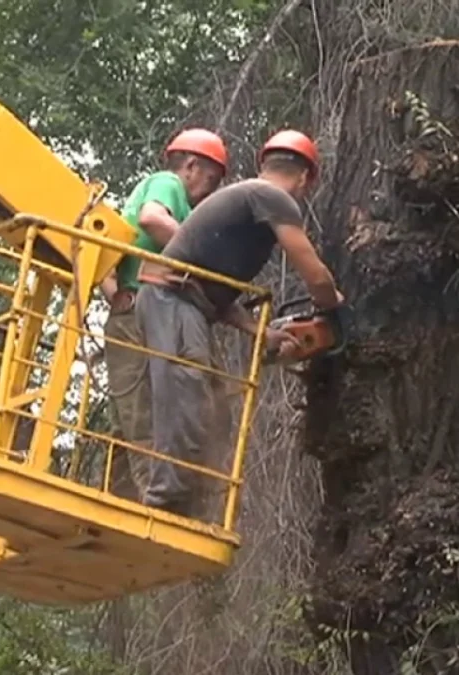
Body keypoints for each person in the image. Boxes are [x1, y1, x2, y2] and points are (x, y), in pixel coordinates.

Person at [134, 129, 344, 517]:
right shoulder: (271, 198)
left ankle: (190, 501)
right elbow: (315, 276)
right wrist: (336, 308)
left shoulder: (248, 204)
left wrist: (262, 331)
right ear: (304, 179)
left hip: (187, 301)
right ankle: (163, 504)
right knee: (187, 396)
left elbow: (215, 291)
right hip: (171, 297)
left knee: (215, 409)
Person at [98, 128, 229, 501]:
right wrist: (206, 257)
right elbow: (152, 219)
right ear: (191, 165)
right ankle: (154, 505)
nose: (213, 189)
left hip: (143, 311)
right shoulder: (167, 184)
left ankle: (129, 497)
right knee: (143, 412)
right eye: (212, 179)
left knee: (143, 410)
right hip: (142, 315)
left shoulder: (184, 210)